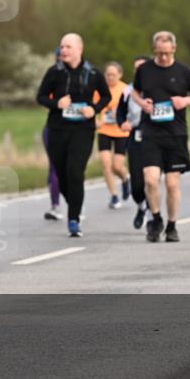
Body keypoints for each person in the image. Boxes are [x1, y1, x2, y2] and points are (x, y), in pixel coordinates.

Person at [132, 31, 190, 243]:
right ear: (154, 50)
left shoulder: (184, 72)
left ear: (174, 49)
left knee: (172, 184)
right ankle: (156, 219)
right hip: (151, 132)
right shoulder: (144, 70)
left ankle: (172, 225)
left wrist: (185, 101)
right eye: (160, 53)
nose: (163, 57)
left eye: (167, 53)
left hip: (175, 134)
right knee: (151, 180)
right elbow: (135, 92)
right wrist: (141, 103)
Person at [36, 33, 110, 238]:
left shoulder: (93, 73)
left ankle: (74, 219)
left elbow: (106, 96)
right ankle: (75, 204)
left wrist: (94, 109)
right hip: (58, 129)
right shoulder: (54, 72)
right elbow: (40, 96)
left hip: (82, 131)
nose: (63, 51)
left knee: (75, 172)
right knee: (61, 173)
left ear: (80, 49)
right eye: (61, 47)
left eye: (68, 47)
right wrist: (56, 103)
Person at [117, 55, 150, 228]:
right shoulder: (128, 90)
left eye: (142, 67)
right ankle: (141, 205)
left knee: (151, 180)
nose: (139, 71)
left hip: (154, 136)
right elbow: (120, 112)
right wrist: (122, 122)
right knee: (137, 185)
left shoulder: (158, 87)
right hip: (135, 136)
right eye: (136, 68)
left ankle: (154, 214)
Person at [96, 61, 131, 209]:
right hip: (104, 130)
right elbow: (91, 107)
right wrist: (96, 120)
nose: (110, 78)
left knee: (117, 166)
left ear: (120, 75)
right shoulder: (99, 90)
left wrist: (125, 118)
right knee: (106, 163)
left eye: (113, 75)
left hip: (121, 131)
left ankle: (125, 178)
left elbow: (133, 110)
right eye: (108, 75)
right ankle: (114, 196)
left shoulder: (126, 89)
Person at [42, 48, 63, 221]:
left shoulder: (85, 76)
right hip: (53, 128)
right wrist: (59, 103)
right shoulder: (52, 76)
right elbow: (43, 99)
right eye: (59, 57)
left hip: (77, 132)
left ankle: (76, 205)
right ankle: (55, 205)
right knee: (54, 168)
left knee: (73, 169)